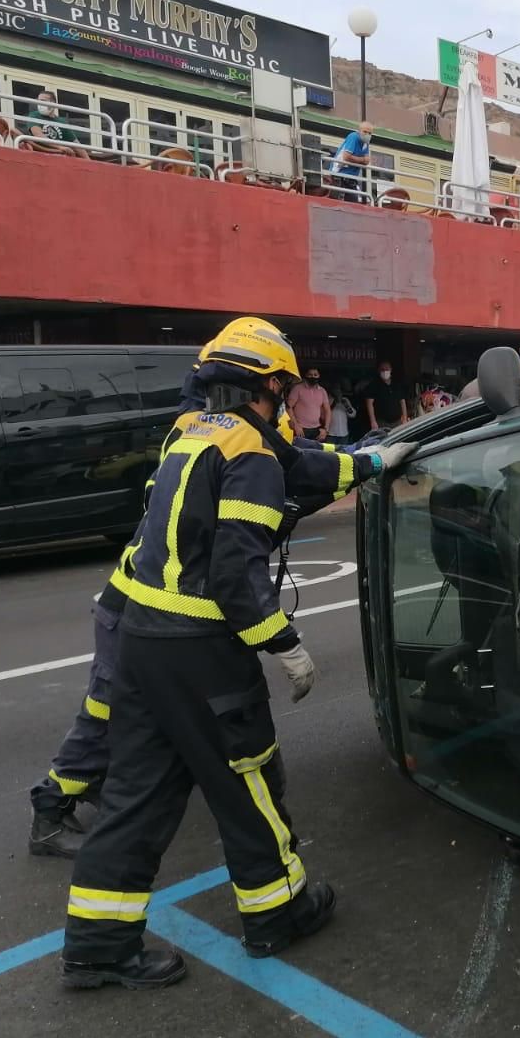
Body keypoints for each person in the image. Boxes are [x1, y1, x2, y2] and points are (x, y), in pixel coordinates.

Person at [60, 319, 416, 989]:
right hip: (200, 654)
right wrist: (284, 644)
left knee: (136, 794)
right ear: (271, 385)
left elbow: (303, 467)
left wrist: (371, 462)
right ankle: (278, 912)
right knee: (246, 778)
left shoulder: (192, 433)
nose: (286, 401)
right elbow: (234, 574)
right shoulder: (250, 453)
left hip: (139, 642)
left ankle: (96, 948)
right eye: (283, 389)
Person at [328, 122, 374, 203]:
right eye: (365, 132)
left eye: (369, 133)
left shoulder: (365, 143)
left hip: (352, 178)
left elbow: (367, 161)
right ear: (358, 131)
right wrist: (362, 160)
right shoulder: (353, 137)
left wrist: (362, 160)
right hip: (339, 174)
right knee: (335, 202)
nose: (367, 135)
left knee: (353, 203)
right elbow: (346, 157)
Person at [286, 367, 332, 440]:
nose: (313, 377)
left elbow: (328, 410)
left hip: (317, 430)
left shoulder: (322, 391)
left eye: (315, 375)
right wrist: (296, 425)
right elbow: (288, 407)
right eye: (310, 375)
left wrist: (326, 429)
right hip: (301, 430)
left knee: (315, 451)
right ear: (306, 375)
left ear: (319, 376)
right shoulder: (297, 388)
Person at [364, 360, 407, 430]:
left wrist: (405, 418)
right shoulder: (374, 385)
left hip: (398, 422)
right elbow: (369, 403)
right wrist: (373, 421)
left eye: (387, 369)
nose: (384, 371)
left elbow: (402, 401)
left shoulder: (396, 384)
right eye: (382, 369)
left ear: (391, 370)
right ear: (378, 371)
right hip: (382, 423)